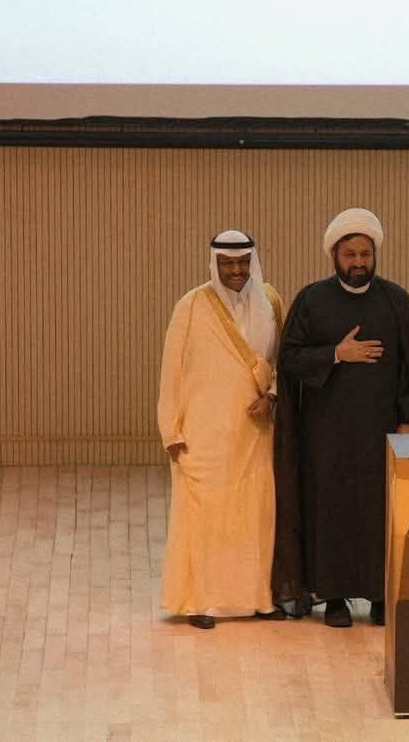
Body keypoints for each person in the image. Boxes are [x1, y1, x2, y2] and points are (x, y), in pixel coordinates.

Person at [273, 208, 409, 628]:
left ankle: (379, 596)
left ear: (375, 255)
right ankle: (335, 598)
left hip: (382, 431)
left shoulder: (396, 301)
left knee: (380, 513)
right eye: (350, 255)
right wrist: (336, 353)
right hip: (327, 432)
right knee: (331, 512)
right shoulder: (311, 300)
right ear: (334, 256)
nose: (358, 262)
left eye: (365, 254)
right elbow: (290, 358)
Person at [157, 230, 287, 629]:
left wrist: (272, 396)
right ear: (215, 264)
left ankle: (257, 599)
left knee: (255, 516)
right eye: (228, 263)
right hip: (203, 432)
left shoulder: (271, 302)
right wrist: (171, 431)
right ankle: (198, 601)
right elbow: (171, 371)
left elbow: (281, 361)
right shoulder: (191, 306)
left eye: (243, 262)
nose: (236, 270)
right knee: (204, 518)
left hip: (254, 433)